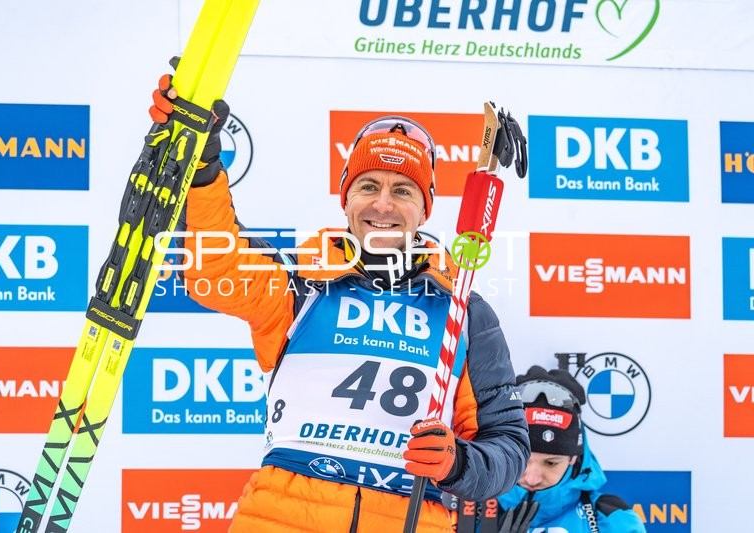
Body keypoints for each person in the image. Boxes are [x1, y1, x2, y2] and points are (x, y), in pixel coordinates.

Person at [149, 73, 530, 532]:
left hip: (410, 517)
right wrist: (204, 168)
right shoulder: (300, 282)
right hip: (282, 516)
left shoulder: (463, 311)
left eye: (402, 190)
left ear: (425, 208)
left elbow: (507, 445)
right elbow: (216, 271)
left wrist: (457, 462)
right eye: (368, 187)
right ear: (345, 198)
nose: (383, 206)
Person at [494, 365, 646, 532]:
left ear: (573, 458)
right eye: (521, 461)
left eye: (551, 463)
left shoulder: (611, 520)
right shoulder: (467, 510)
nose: (532, 478)